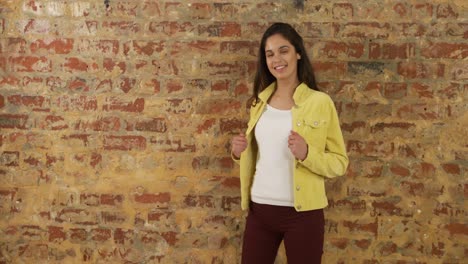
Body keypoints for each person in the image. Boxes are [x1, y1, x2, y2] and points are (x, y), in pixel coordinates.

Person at [230, 22, 349, 264]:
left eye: (283, 50)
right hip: (260, 210)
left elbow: (339, 163)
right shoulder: (259, 103)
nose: (277, 59)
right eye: (270, 54)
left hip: (303, 214)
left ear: (298, 53)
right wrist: (237, 152)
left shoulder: (320, 102)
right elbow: (259, 154)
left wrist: (307, 154)